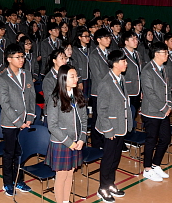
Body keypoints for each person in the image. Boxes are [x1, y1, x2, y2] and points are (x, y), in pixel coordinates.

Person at [0, 44, 35, 197]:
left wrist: (31, 117)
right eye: (17, 57)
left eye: (22, 56)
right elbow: (4, 104)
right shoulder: (2, 78)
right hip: (10, 123)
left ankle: (19, 180)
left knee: (21, 153)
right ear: (8, 59)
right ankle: (7, 182)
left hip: (27, 121)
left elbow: (32, 97)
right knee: (9, 153)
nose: (21, 60)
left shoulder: (26, 73)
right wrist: (20, 122)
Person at [46, 64, 87, 203]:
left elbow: (84, 120)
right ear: (63, 79)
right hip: (62, 142)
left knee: (70, 174)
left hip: (76, 142)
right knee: (62, 175)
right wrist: (69, 143)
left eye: (76, 76)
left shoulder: (78, 95)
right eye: (72, 76)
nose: (76, 79)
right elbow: (52, 126)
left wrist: (82, 138)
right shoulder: (55, 98)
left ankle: (65, 200)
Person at [96, 50, 131, 202]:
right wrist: (108, 130)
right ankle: (102, 188)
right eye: (123, 61)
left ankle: (111, 184)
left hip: (120, 125)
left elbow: (124, 102)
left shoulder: (121, 78)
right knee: (108, 158)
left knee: (116, 157)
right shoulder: (105, 83)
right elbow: (101, 110)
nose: (126, 63)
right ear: (115, 64)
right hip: (110, 127)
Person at [140, 42, 171, 182]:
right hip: (152, 111)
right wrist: (164, 107)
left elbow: (168, 88)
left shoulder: (163, 68)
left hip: (164, 110)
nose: (167, 55)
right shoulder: (147, 70)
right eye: (165, 52)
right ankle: (147, 169)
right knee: (151, 140)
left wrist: (169, 104)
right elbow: (149, 93)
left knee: (165, 138)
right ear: (156, 54)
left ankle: (156, 164)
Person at [89, 28, 112, 149]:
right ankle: (96, 143)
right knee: (97, 118)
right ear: (98, 40)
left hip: (110, 91)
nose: (109, 40)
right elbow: (97, 76)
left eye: (109, 38)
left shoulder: (110, 53)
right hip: (99, 92)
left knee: (106, 117)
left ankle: (105, 139)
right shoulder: (93, 55)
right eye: (106, 38)